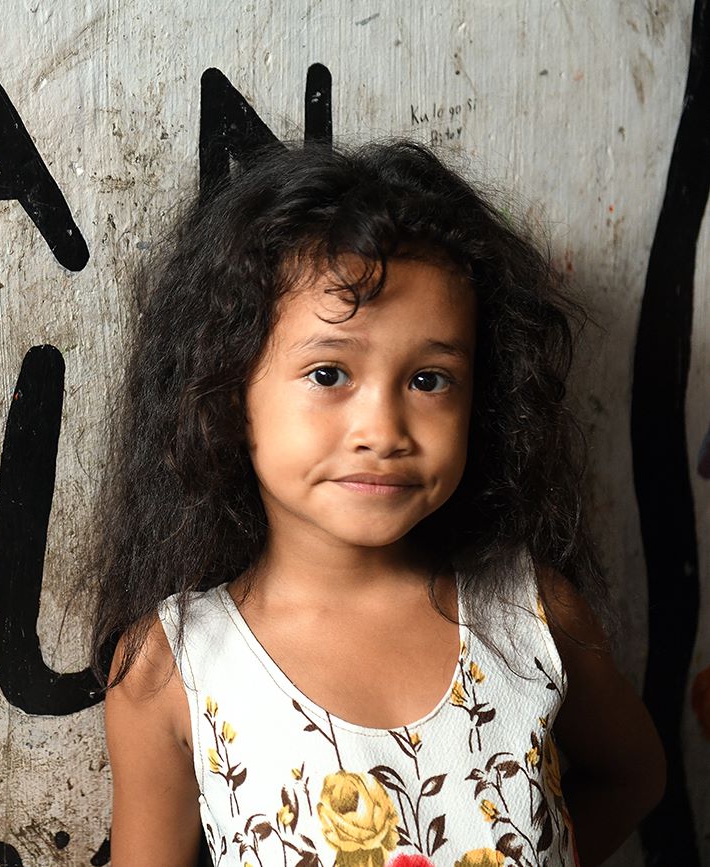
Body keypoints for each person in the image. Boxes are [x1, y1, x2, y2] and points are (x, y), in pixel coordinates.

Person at [84, 138, 666, 867]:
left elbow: (633, 775)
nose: (384, 431)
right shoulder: (172, 668)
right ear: (229, 394)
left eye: (429, 380)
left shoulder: (535, 618)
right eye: (329, 373)